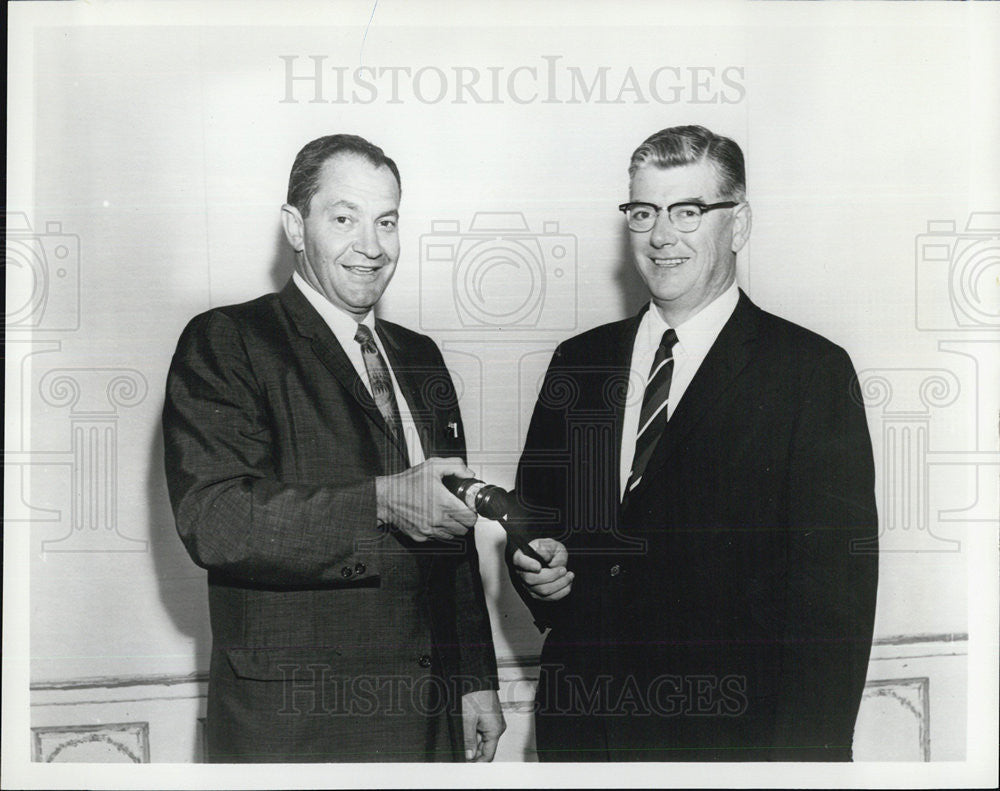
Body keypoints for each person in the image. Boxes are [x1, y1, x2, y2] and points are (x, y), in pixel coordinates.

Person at [508, 125, 878, 762]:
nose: (660, 236)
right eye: (644, 212)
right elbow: (534, 518)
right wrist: (537, 572)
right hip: (585, 731)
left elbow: (833, 605)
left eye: (688, 211)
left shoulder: (810, 373)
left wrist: (809, 766)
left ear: (737, 226)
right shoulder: (581, 362)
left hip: (734, 745)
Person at [163, 134, 504, 763]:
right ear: (296, 227)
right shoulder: (228, 340)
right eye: (344, 218)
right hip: (299, 726)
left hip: (426, 721)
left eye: (387, 222)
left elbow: (451, 536)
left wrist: (476, 678)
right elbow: (214, 520)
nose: (371, 247)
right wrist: (381, 502)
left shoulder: (421, 359)